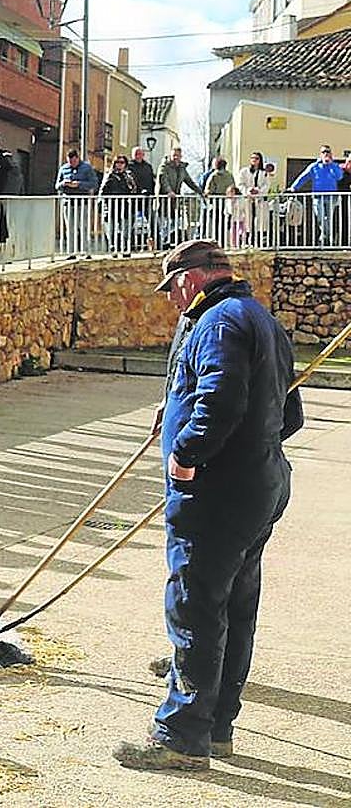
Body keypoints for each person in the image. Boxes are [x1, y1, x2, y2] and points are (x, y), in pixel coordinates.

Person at [113, 239, 303, 771]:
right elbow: (291, 414)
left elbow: (220, 398)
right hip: (259, 485)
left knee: (195, 605)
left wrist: (188, 454)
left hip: (217, 495)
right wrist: (175, 406)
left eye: (171, 287)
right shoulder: (259, 318)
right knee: (234, 607)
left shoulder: (217, 323)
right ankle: (218, 727)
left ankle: (181, 737)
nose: (170, 299)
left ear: (192, 278)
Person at [289, 144, 342, 246]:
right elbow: (303, 177)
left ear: (331, 154)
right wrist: (293, 188)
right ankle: (325, 237)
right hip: (318, 197)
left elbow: (339, 176)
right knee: (320, 218)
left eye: (328, 152)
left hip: (332, 198)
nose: (326, 154)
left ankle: (326, 240)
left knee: (329, 218)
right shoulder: (314, 166)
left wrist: (330, 164)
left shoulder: (334, 166)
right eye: (323, 152)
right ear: (320, 154)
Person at [55, 148, 99, 257]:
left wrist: (78, 184)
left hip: (82, 203)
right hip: (68, 203)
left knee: (83, 227)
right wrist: (64, 184)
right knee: (70, 228)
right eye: (70, 162)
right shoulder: (63, 169)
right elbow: (57, 186)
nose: (72, 164)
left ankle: (85, 251)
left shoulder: (87, 168)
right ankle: (71, 252)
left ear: (78, 158)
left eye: (74, 161)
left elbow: (94, 184)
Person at [100, 155, 138, 254]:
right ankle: (113, 249)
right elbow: (102, 191)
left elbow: (133, 190)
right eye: (118, 162)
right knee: (110, 230)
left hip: (124, 207)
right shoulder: (109, 175)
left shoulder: (128, 176)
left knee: (125, 230)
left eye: (122, 162)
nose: (120, 165)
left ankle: (124, 249)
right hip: (110, 207)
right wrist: (101, 204)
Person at [237, 151, 272, 246]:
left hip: (259, 200)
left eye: (256, 158)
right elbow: (240, 184)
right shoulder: (244, 171)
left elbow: (267, 185)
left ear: (260, 160)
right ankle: (249, 241)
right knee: (248, 221)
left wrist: (258, 191)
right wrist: (248, 191)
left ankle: (260, 242)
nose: (254, 160)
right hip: (248, 199)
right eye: (252, 158)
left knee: (260, 222)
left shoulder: (264, 173)